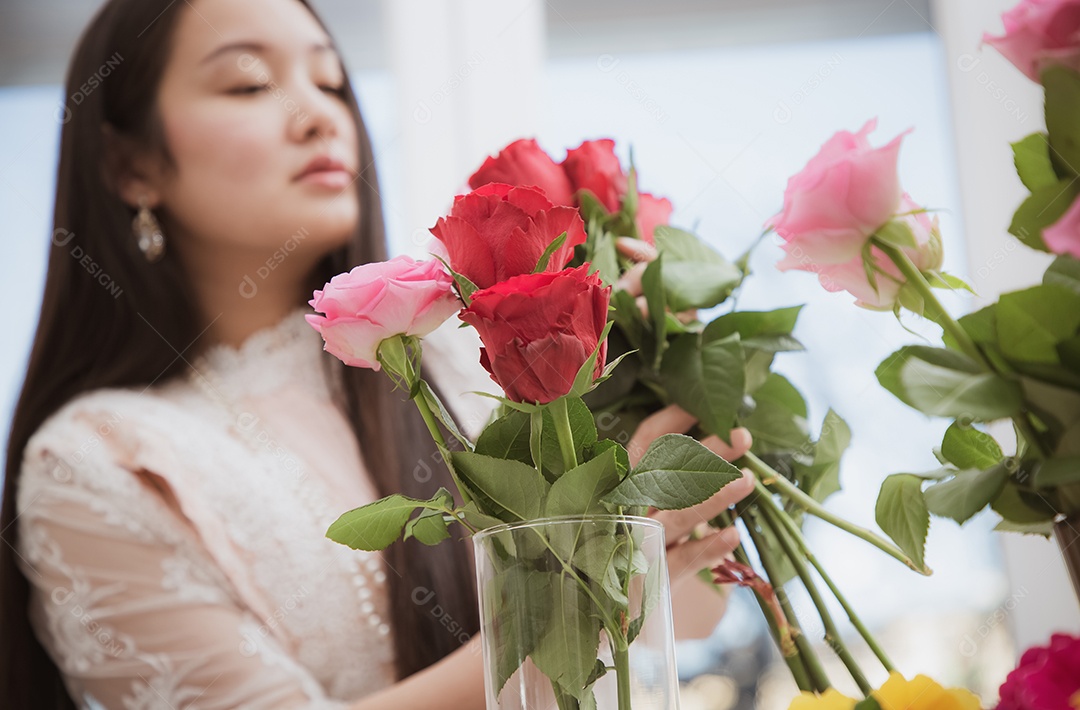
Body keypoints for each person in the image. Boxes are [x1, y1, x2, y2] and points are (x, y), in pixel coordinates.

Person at [0, 0, 756, 707]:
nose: (319, 116)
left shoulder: (467, 355)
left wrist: (651, 438)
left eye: (330, 80)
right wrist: (570, 604)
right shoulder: (100, 462)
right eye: (248, 83)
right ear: (131, 166)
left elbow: (685, 618)